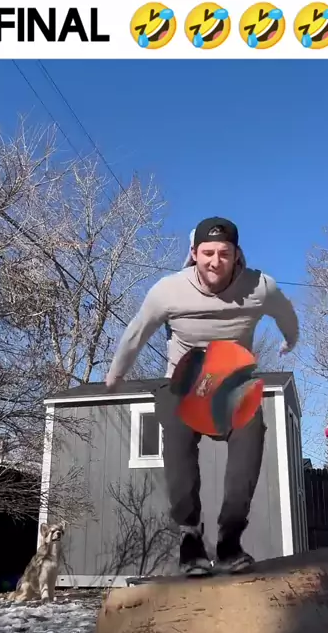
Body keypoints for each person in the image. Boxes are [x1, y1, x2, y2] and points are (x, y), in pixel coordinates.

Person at [105, 216, 299, 576]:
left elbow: (285, 312)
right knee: (177, 441)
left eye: (224, 254)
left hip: (232, 384)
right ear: (194, 253)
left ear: (236, 255)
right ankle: (190, 534)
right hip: (183, 381)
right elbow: (136, 332)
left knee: (251, 433)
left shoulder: (260, 286)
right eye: (207, 253)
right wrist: (116, 373)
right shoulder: (169, 290)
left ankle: (229, 538)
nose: (215, 262)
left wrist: (291, 338)